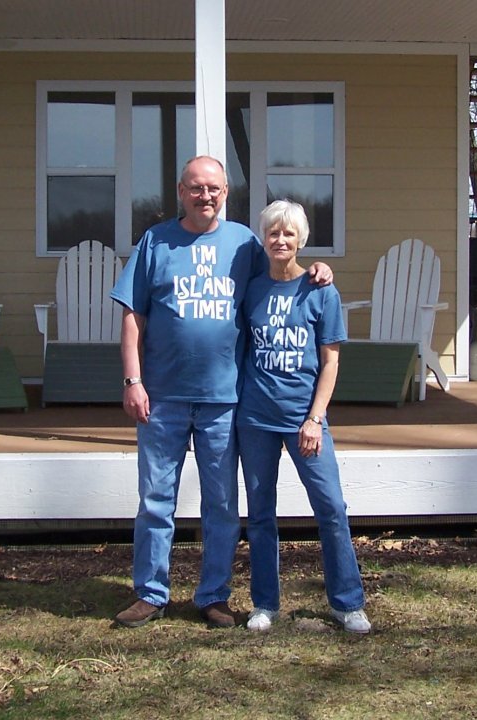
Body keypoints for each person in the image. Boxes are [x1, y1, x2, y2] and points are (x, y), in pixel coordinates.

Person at [110, 156, 332, 629]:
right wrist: (133, 380)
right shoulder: (155, 242)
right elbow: (133, 315)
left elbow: (282, 269)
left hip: (225, 399)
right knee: (155, 500)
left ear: (226, 192)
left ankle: (213, 595)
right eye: (196, 188)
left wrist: (317, 269)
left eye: (213, 188)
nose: (205, 196)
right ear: (181, 191)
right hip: (162, 397)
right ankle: (150, 593)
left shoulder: (244, 243)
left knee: (222, 504)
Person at [237, 199, 371, 634]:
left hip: (305, 420)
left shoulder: (320, 290)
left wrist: (315, 419)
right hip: (255, 418)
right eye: (273, 232)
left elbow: (330, 362)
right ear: (264, 238)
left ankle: (348, 603)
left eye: (288, 233)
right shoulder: (251, 289)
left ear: (301, 240)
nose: (280, 240)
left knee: (331, 507)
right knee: (260, 514)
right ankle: (264, 604)